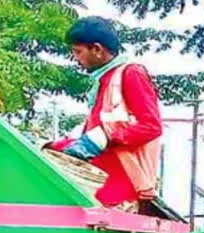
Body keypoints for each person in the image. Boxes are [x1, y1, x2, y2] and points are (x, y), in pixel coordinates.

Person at [46, 17, 162, 211]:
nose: (76, 58)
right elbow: (90, 138)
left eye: (78, 51)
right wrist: (52, 146)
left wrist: (104, 136)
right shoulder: (104, 81)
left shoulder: (131, 73)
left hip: (123, 187)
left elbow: (151, 126)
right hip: (99, 182)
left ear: (97, 49)